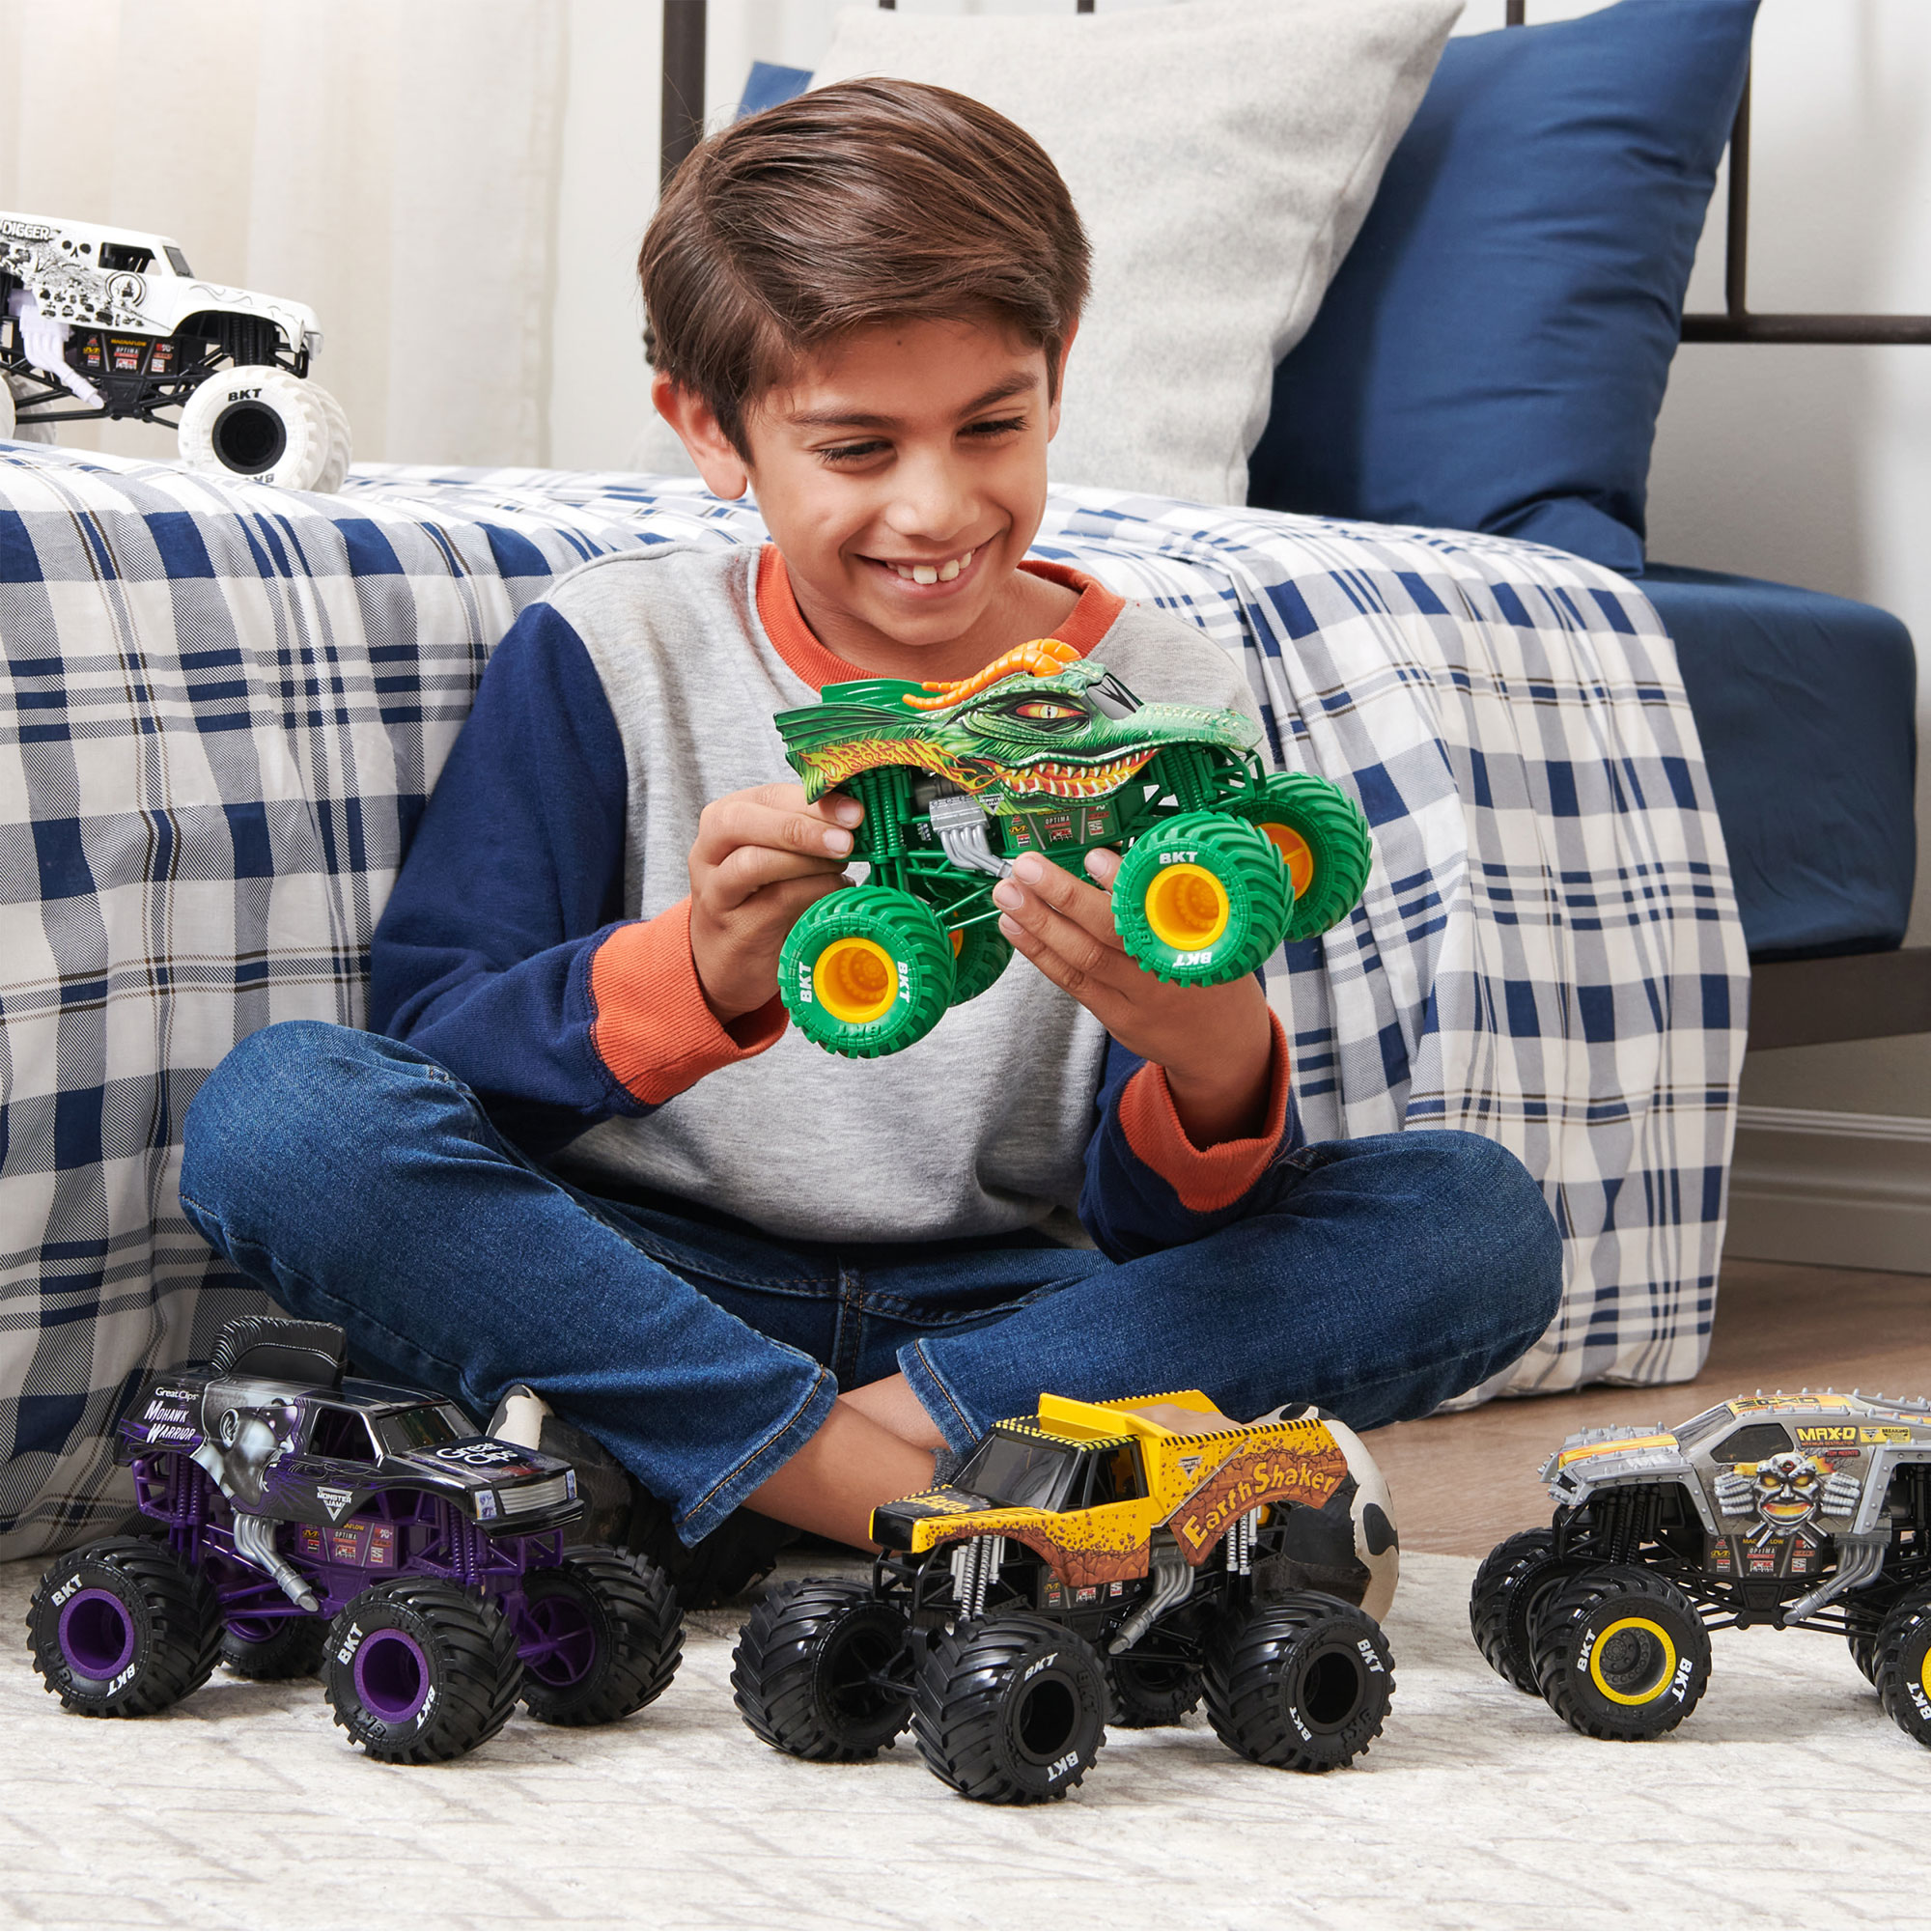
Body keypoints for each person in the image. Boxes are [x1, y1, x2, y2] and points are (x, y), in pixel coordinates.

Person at [180, 80, 1560, 1570]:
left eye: (991, 426)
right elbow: (436, 1060)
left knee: (1468, 1219)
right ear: (708, 429)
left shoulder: (1169, 688)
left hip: (999, 1319)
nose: (936, 507)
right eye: (854, 448)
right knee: (284, 1114)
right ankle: (906, 1495)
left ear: (1058, 372)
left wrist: (1209, 1053)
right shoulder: (610, 648)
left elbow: (1156, 1231)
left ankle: (761, 1468)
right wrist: (696, 975)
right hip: (646, 1283)